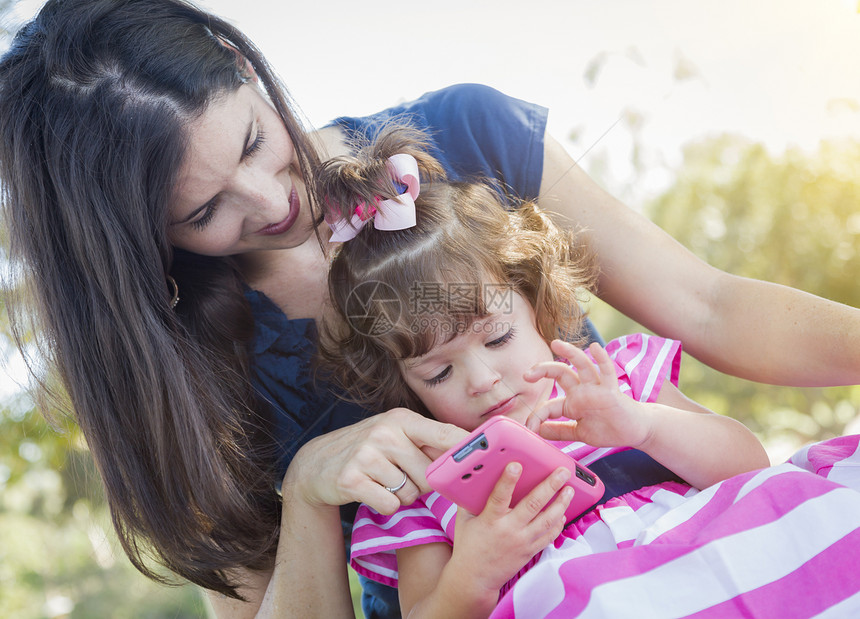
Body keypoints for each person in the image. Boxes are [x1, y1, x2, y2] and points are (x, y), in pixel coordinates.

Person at [0, 0, 857, 617]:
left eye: (255, 143)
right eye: (201, 212)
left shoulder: (464, 134)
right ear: (142, 241)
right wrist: (308, 495)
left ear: (247, 67)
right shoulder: (177, 364)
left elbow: (706, 304)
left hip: (709, 553)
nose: (267, 204)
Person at [315, 124, 770, 617]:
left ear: (532, 300)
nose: (483, 379)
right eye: (439, 374)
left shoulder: (619, 376)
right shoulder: (423, 488)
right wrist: (474, 570)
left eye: (498, 337)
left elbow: (750, 468)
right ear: (400, 383)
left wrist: (644, 425)